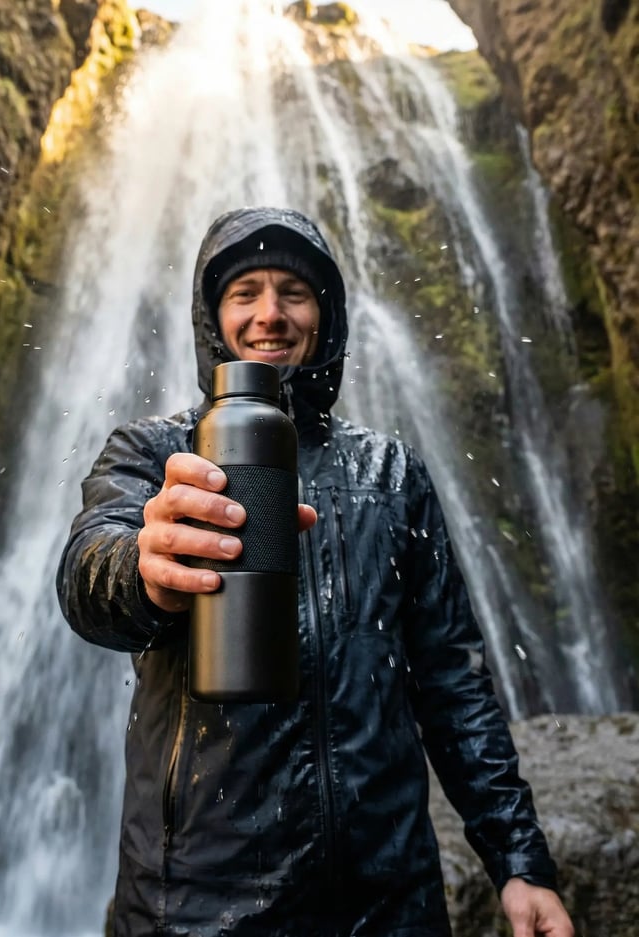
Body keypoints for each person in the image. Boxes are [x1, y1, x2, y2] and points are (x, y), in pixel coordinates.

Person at [56, 207, 574, 937]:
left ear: (325, 316)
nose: (270, 313)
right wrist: (143, 571)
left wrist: (519, 860)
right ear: (212, 318)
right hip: (199, 910)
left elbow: (452, 680)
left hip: (388, 905)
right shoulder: (155, 454)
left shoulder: (392, 473)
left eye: (294, 291)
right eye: (246, 292)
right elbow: (86, 572)